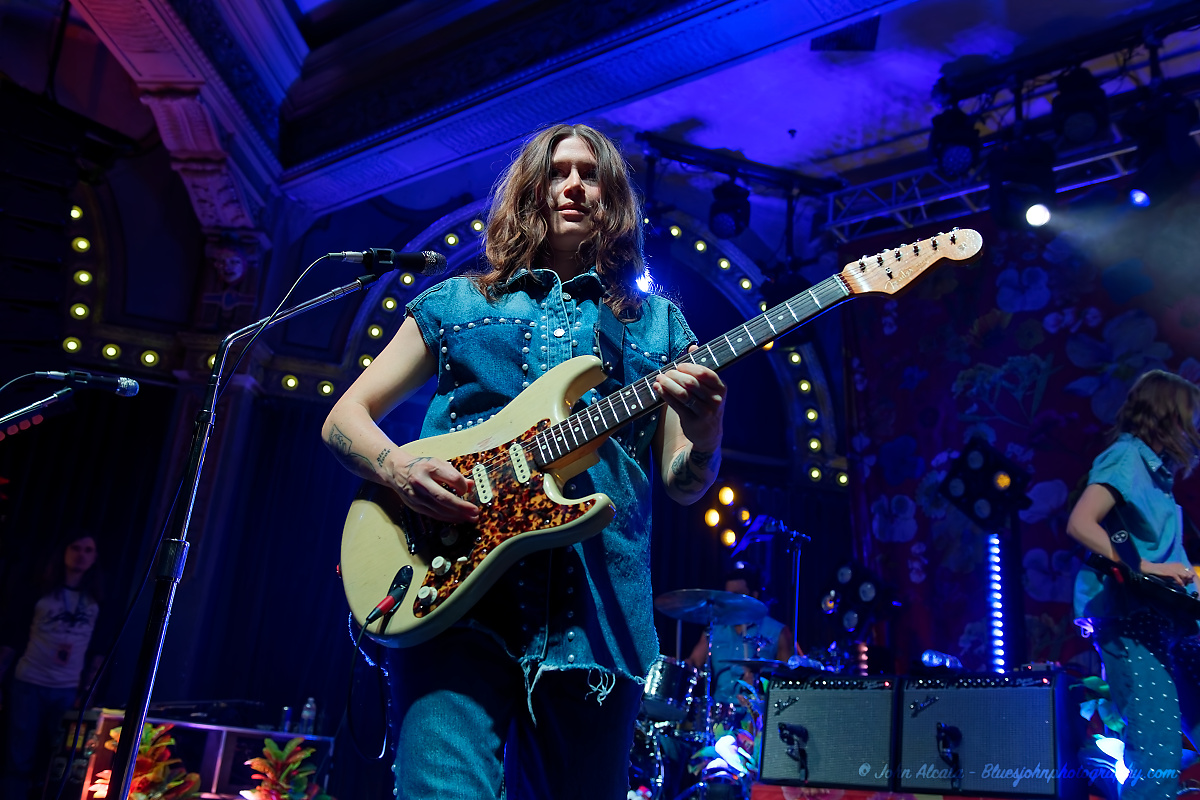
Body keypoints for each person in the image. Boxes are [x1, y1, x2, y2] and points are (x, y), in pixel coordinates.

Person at [322, 123, 726, 799]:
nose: (573, 185)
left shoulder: (660, 329)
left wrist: (706, 432)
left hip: (596, 621)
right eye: (557, 172)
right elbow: (343, 419)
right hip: (449, 595)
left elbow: (685, 484)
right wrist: (397, 469)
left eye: (590, 174)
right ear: (529, 191)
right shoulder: (458, 304)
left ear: (615, 197)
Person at [1066, 369, 1200, 800]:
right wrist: (1145, 566)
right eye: (1190, 415)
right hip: (1129, 619)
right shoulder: (1126, 458)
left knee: (1179, 742)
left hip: (1163, 621)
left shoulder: (1158, 476)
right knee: (1157, 755)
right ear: (1166, 414)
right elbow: (1081, 522)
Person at [0, 533, 106, 800]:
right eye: (76, 547)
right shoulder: (40, 591)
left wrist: (88, 692)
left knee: (60, 758)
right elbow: (12, 640)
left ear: (94, 557)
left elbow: (98, 652)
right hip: (30, 681)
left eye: (88, 549)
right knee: (18, 757)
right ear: (64, 551)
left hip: (68, 689)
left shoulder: (95, 599)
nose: (81, 554)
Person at [687, 562, 794, 704]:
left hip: (757, 716)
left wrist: (761, 684)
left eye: (737, 595)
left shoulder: (777, 631)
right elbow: (694, 662)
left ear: (754, 595)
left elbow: (788, 681)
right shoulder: (715, 629)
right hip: (719, 714)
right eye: (728, 595)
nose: (731, 601)